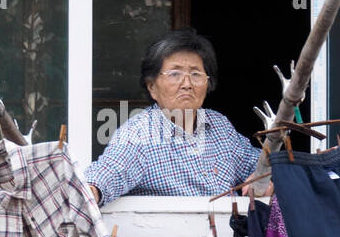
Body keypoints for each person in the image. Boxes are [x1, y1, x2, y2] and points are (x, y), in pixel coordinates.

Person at [86, 29, 263, 204]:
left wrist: (266, 177)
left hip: (229, 230)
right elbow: (109, 171)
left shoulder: (219, 125)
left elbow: (257, 163)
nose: (187, 84)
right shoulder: (139, 134)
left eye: (195, 74)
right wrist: (89, 191)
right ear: (152, 87)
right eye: (174, 74)